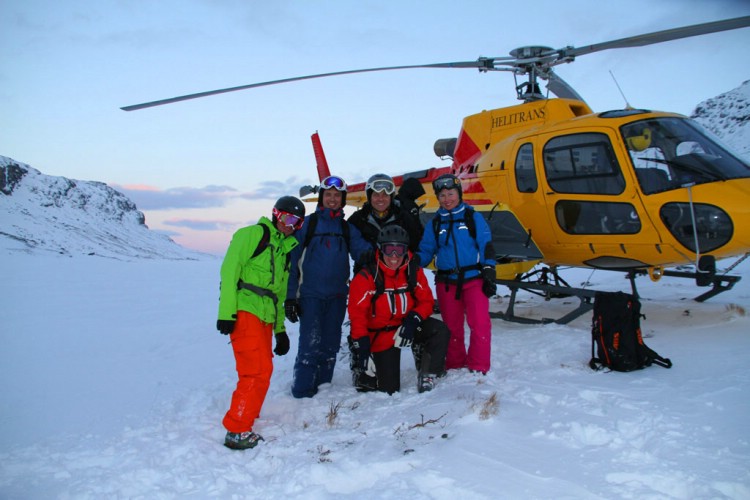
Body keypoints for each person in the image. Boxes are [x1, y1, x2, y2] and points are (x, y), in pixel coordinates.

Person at [216, 195, 305, 450]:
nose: (291, 225)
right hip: (245, 310)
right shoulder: (251, 235)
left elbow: (277, 294)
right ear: (276, 214)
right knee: (254, 371)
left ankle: (247, 413)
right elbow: (229, 272)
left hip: (265, 315)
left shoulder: (284, 250)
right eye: (288, 218)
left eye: (297, 222)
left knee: (263, 370)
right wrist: (226, 313)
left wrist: (280, 331)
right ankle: (236, 429)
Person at [285, 175, 370, 398]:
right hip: (310, 295)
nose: (332, 199)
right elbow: (292, 262)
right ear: (322, 197)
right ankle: (302, 392)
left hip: (337, 296)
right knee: (310, 344)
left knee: (331, 343)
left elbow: (364, 251)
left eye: (337, 196)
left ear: (342, 199)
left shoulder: (345, 228)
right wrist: (290, 297)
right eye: (328, 195)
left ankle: (324, 388)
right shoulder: (308, 225)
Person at [348, 225, 450, 394]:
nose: (394, 256)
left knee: (439, 330)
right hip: (382, 332)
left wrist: (413, 320)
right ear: (380, 249)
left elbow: (426, 301)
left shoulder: (413, 271)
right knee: (387, 389)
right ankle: (359, 364)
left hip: (406, 326)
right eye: (389, 249)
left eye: (399, 250)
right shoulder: (367, 276)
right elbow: (357, 315)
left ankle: (428, 371)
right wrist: (363, 348)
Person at [416, 173, 497, 374]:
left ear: (459, 193)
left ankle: (478, 366)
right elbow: (426, 250)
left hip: (473, 281)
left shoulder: (473, 217)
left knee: (480, 325)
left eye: (451, 193)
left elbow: (486, 244)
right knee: (451, 328)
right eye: (442, 195)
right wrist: (413, 262)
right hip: (446, 283)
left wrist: (489, 269)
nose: (447, 199)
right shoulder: (435, 223)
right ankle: (454, 363)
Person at [348, 173, 423, 254]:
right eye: (376, 195)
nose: (381, 199)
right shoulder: (358, 219)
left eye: (385, 194)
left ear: (391, 197)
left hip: (397, 265)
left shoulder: (403, 218)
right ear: (369, 197)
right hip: (367, 266)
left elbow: (417, 245)